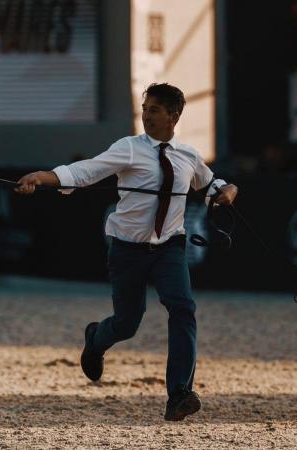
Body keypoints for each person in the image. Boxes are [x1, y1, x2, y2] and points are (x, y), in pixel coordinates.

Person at [15, 83, 238, 421]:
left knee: (183, 308)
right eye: (145, 108)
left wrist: (228, 191)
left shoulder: (188, 156)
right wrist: (43, 177)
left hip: (170, 247)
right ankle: (96, 338)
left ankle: (179, 393)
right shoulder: (129, 148)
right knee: (127, 323)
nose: (146, 115)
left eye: (154, 110)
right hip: (127, 250)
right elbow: (85, 171)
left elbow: (210, 185)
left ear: (173, 116)